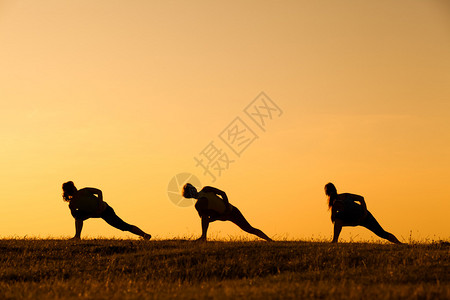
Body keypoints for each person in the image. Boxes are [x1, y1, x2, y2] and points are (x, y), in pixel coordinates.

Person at [62, 181, 151, 240]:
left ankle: (144, 235)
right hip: (94, 213)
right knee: (79, 217)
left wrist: (100, 203)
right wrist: (88, 214)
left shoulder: (84, 191)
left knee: (123, 226)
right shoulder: (72, 203)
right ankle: (77, 236)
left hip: (105, 211)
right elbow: (76, 217)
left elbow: (99, 191)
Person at [182, 183, 272, 241]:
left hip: (232, 211)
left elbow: (223, 193)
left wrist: (226, 208)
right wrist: (219, 217)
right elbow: (206, 218)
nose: (192, 191)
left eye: (191, 189)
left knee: (249, 229)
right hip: (222, 215)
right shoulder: (198, 205)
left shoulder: (206, 189)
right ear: (189, 196)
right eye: (189, 192)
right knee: (204, 217)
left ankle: (269, 240)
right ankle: (203, 237)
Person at [324, 182, 402, 244]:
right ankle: (335, 241)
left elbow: (361, 198)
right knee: (338, 219)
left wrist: (364, 212)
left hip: (365, 217)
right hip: (355, 219)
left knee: (381, 233)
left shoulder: (345, 196)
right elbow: (334, 219)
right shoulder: (335, 204)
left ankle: (399, 244)